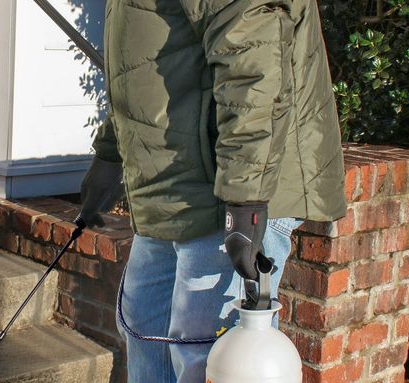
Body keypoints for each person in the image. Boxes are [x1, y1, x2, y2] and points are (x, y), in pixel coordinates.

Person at [78, 0, 347, 382]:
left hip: (226, 189)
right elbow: (149, 65)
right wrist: (110, 154)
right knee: (144, 332)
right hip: (171, 186)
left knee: (205, 359)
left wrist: (245, 201)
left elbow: (253, 64)